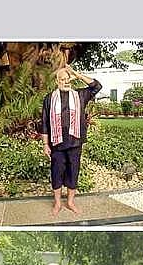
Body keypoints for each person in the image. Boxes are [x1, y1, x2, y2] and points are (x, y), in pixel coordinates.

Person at [41, 65, 102, 216]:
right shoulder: (49, 98)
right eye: (62, 79)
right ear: (57, 81)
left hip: (75, 142)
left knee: (73, 171)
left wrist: (77, 74)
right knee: (56, 172)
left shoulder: (80, 95)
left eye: (68, 79)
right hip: (57, 143)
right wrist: (45, 144)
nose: (65, 81)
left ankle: (70, 202)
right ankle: (57, 203)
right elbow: (44, 122)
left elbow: (97, 86)